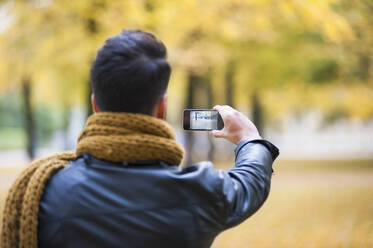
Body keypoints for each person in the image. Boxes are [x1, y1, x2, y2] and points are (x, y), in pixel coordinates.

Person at [0, 30, 279, 248]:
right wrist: (250, 139)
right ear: (161, 107)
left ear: (95, 104)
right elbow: (250, 183)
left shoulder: (42, 193)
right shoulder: (201, 193)